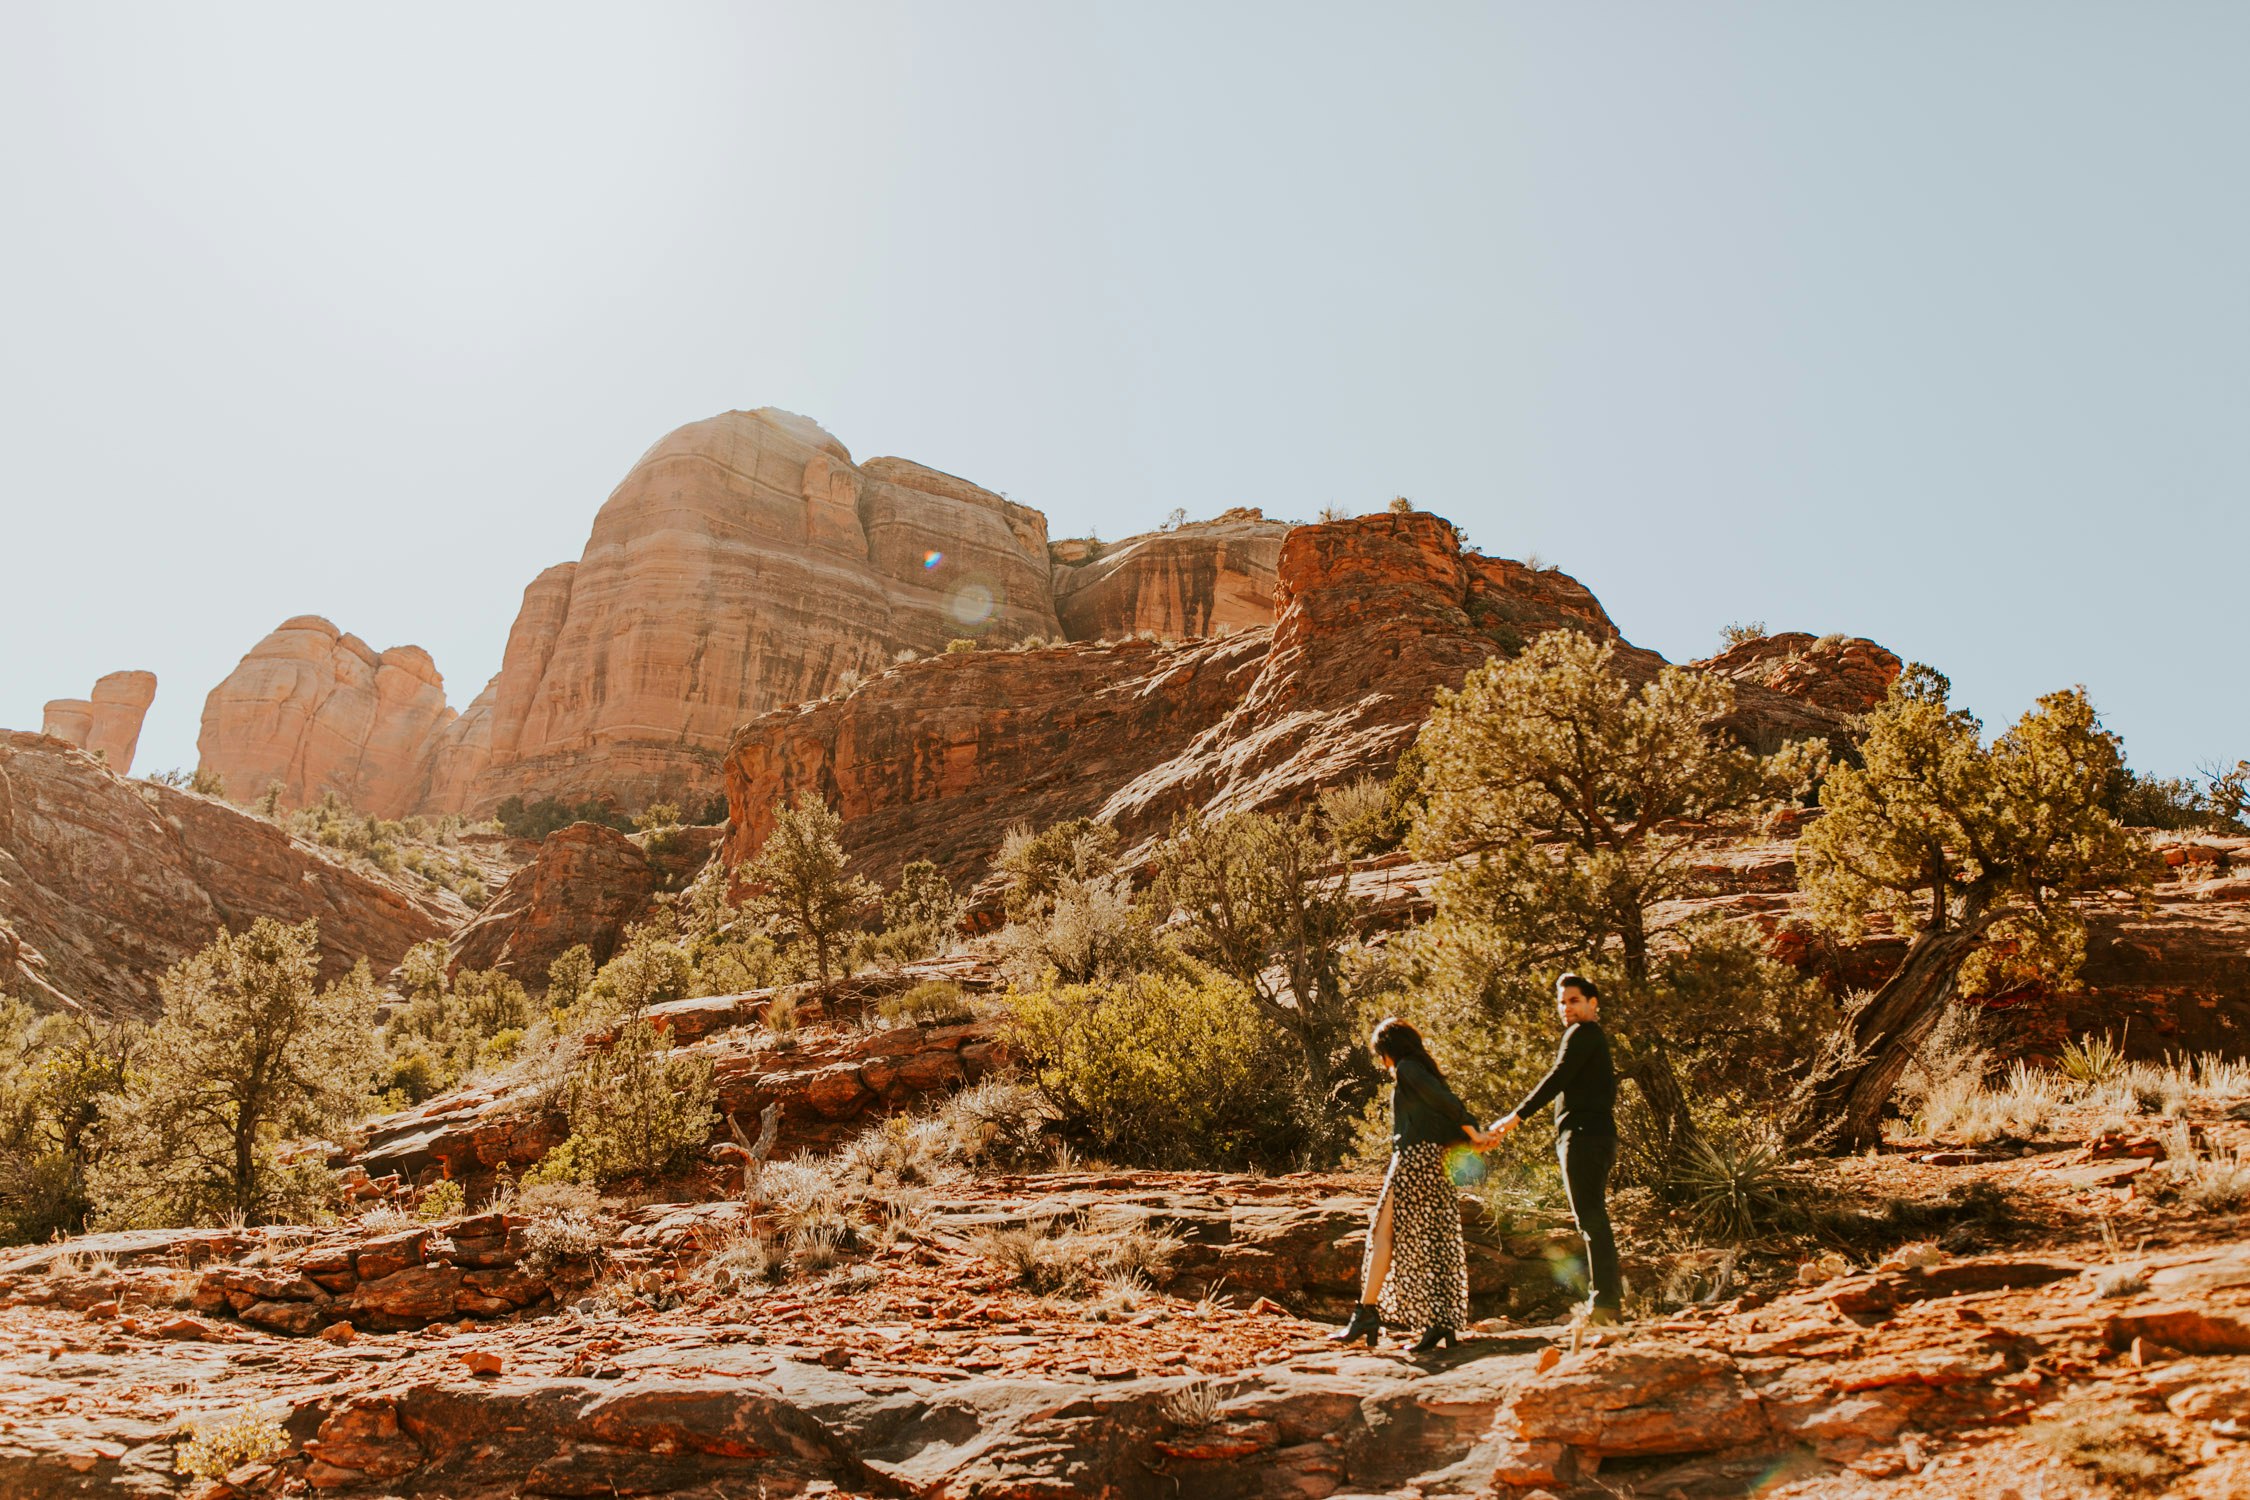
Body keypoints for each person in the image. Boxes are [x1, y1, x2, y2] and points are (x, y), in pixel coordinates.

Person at [1333, 1017, 1499, 1352]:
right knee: (1433, 1237)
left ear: (1391, 1050)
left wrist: (1473, 1130)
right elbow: (1444, 1104)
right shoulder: (1419, 1070)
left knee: (1382, 1231)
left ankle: (1366, 1314)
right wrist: (1473, 1134)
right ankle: (1441, 1322)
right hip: (1433, 1161)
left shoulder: (1408, 1069)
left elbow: (1443, 1101)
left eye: (1382, 1054)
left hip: (1413, 1160)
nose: (1383, 1063)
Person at [1489, 972, 1622, 1325]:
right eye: (1562, 1002)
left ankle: (1606, 1303)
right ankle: (1608, 1301)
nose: (1566, 1008)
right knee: (1593, 1218)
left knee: (1591, 1219)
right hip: (1597, 1135)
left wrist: (1516, 1117)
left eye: (1574, 1000)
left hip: (1583, 1136)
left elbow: (1558, 1076)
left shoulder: (1582, 1033)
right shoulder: (1594, 1039)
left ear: (1593, 1003)